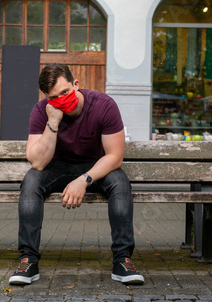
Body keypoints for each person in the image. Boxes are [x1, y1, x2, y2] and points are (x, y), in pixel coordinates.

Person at [9, 63, 144, 285]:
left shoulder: (104, 105)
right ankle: (28, 261)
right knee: (31, 180)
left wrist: (84, 180)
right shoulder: (41, 111)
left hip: (97, 167)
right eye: (55, 97)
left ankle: (123, 260)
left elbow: (115, 157)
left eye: (65, 92)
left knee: (119, 180)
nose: (62, 99)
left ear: (76, 84)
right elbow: (38, 163)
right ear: (47, 99)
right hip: (58, 167)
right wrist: (53, 122)